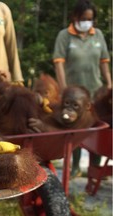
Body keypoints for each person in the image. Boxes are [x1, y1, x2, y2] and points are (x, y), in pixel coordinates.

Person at [52, 0, 112, 178]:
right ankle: (75, 166)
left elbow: (104, 62)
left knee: (97, 127)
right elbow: (59, 63)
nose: (86, 22)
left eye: (90, 19)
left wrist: (109, 83)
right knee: (76, 127)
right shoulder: (65, 36)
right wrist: (63, 88)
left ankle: (96, 166)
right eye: (83, 18)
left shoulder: (97, 35)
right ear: (75, 17)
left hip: (95, 90)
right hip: (75, 93)